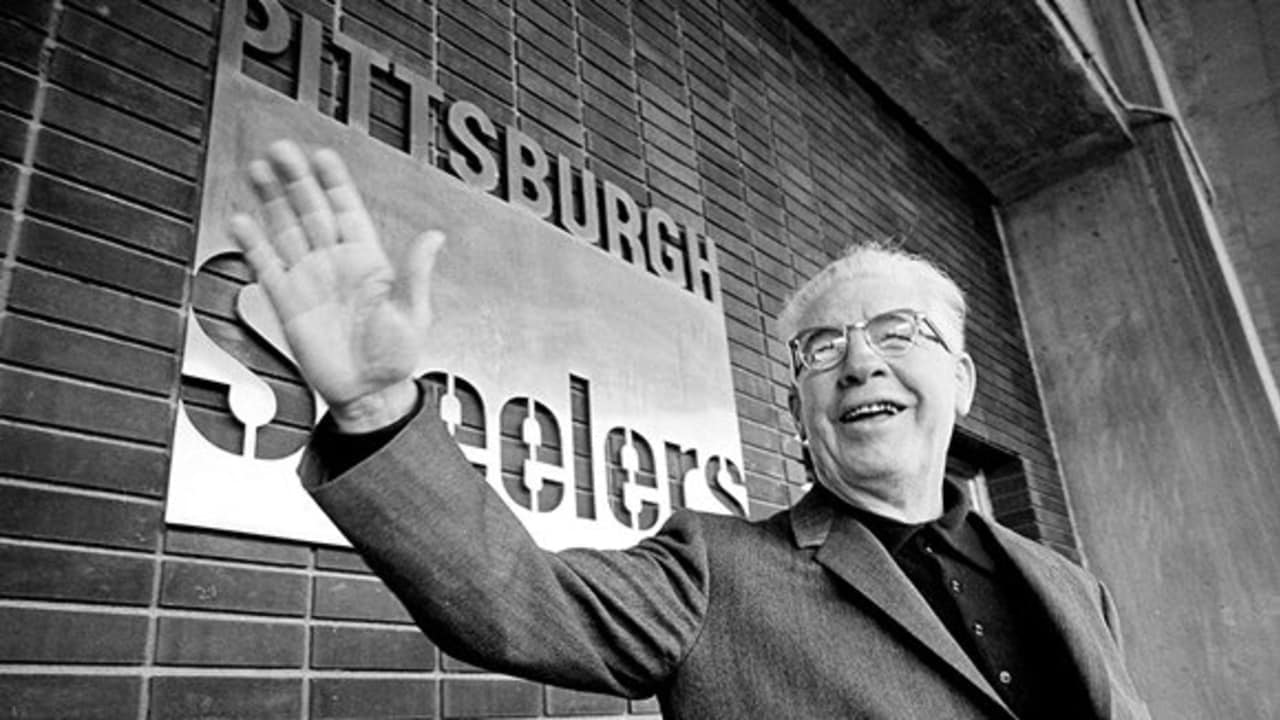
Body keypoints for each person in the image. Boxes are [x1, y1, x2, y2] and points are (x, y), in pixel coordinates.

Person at [231, 140, 1150, 719]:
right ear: (797, 411)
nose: (859, 363)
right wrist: (373, 411)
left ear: (961, 378)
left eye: (897, 332)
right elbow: (512, 599)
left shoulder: (1073, 587)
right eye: (822, 348)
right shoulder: (717, 573)